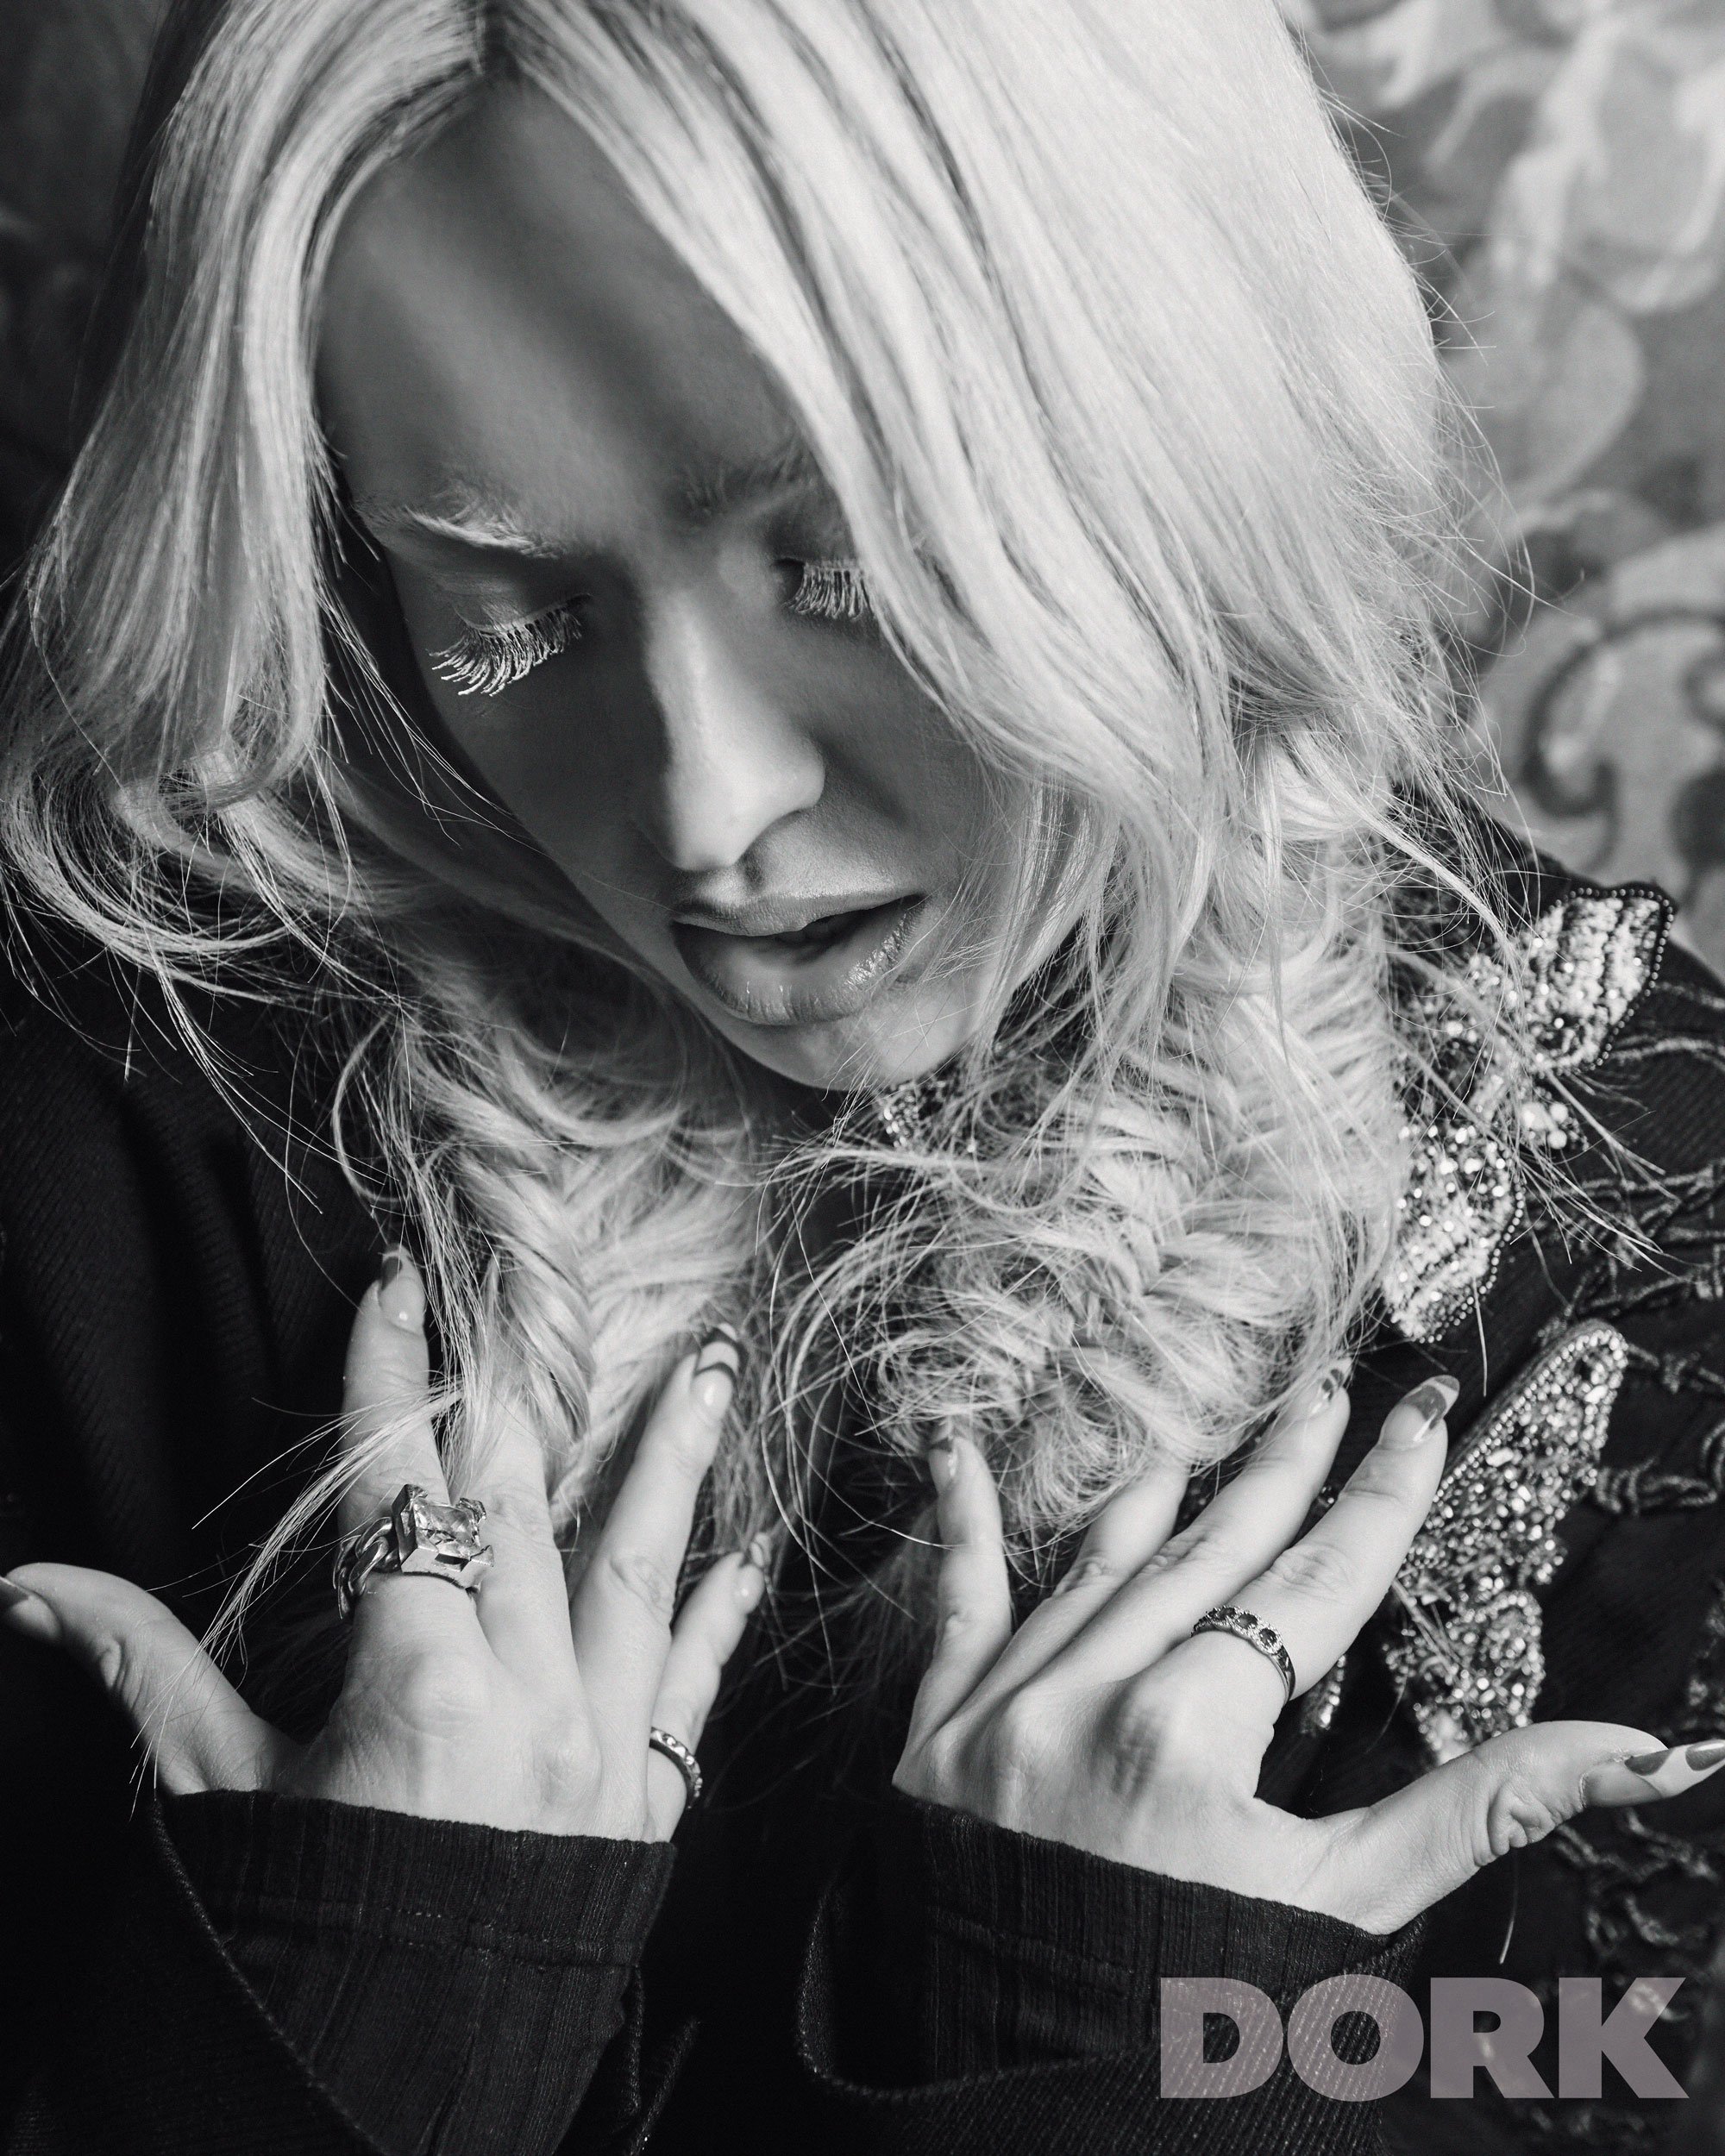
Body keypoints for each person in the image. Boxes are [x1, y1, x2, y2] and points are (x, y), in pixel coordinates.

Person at [2, 2, 1723, 2151]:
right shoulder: (133, 1084)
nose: (707, 809)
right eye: (507, 612)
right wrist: (344, 2012)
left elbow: (1602, 2059)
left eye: (836, 561)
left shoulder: (1645, 1243)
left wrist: (1130, 2056)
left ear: (1182, 416)